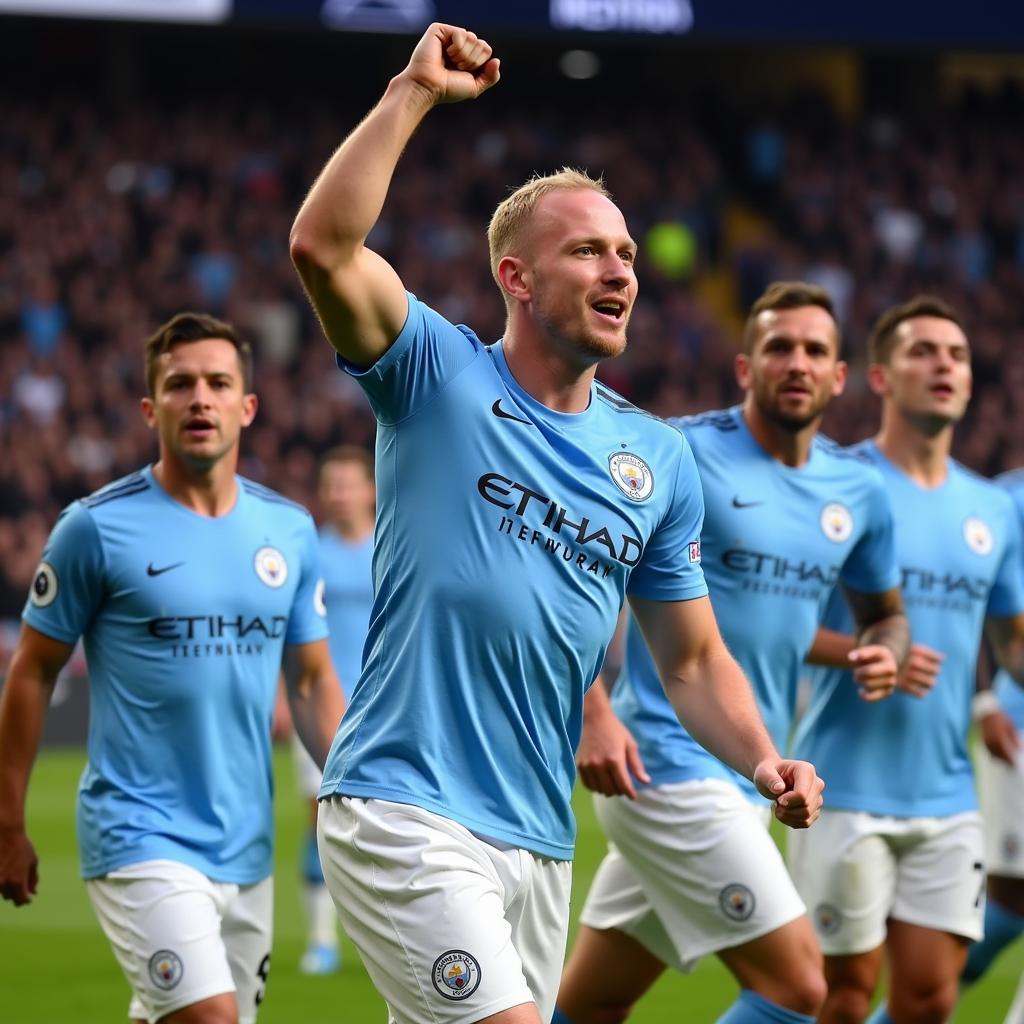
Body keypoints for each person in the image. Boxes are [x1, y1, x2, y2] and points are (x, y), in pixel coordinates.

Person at [289, 23, 824, 1024]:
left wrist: (760, 757)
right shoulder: (436, 374)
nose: (620, 269)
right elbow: (322, 247)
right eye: (587, 250)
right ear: (517, 279)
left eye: (626, 252)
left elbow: (694, 661)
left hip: (539, 837)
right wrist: (411, 92)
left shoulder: (657, 459)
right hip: (405, 806)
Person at [554, 282, 908, 1024]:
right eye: (778, 347)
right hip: (666, 764)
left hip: (754, 773)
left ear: (840, 377)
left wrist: (881, 650)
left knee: (589, 1007)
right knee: (802, 990)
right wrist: (591, 706)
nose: (797, 363)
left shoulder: (860, 491)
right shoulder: (681, 453)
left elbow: (887, 616)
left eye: (815, 350)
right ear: (746, 367)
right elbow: (573, 572)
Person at [0, 313, 345, 1024]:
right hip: (139, 830)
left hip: (246, 841)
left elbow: (310, 679)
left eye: (219, 383)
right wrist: (7, 821)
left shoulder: (288, 529)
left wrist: (355, 793)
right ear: (151, 408)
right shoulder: (93, 529)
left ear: (247, 407)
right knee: (208, 1017)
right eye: (180, 384)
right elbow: (32, 671)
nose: (200, 399)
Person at [789, 295, 1024, 1024]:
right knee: (842, 997)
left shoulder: (992, 508)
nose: (943, 366)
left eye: (955, 355)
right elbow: (765, 623)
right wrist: (860, 651)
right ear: (881, 377)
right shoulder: (832, 480)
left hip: (950, 796)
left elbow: (1012, 642)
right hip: (842, 785)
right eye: (923, 352)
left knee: (929, 1000)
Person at [294, 446, 375, 975]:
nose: (339, 493)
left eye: (348, 483)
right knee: (320, 821)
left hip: (383, 704)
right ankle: (322, 939)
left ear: (370, 489)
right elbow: (288, 633)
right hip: (321, 702)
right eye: (331, 484)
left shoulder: (395, 543)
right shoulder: (309, 553)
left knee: (390, 823)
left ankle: (384, 936)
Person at [959, 467, 1024, 1001]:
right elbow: (972, 605)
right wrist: (983, 703)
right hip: (1018, 726)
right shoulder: (1008, 500)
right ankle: (924, 989)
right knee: (1009, 901)